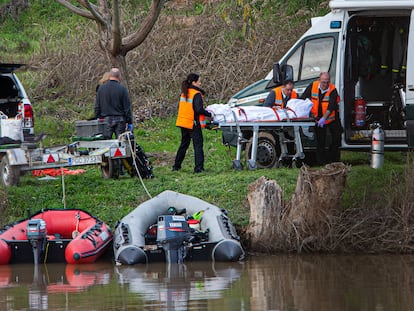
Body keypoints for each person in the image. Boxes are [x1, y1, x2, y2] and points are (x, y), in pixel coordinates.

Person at [172, 73, 212, 173]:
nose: (200, 83)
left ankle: (176, 166)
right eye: (199, 81)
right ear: (194, 82)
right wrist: (209, 114)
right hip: (192, 123)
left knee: (184, 145)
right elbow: (198, 109)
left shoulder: (185, 93)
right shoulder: (196, 94)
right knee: (198, 146)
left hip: (183, 122)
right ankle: (199, 168)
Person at [300, 72, 341, 165]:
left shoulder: (333, 89)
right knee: (320, 141)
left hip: (331, 118)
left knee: (337, 138)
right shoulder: (313, 86)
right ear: (319, 80)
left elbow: (331, 106)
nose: (325, 84)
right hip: (317, 118)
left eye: (327, 82)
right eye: (323, 82)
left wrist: (324, 118)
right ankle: (321, 162)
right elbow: (303, 98)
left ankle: (333, 160)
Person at [94, 68, 133, 139]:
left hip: (106, 120)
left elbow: (97, 106)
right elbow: (127, 107)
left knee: (105, 143)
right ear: (119, 76)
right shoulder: (122, 89)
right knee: (121, 142)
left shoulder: (101, 89)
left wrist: (97, 117)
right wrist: (129, 121)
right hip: (120, 119)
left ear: (110, 75)